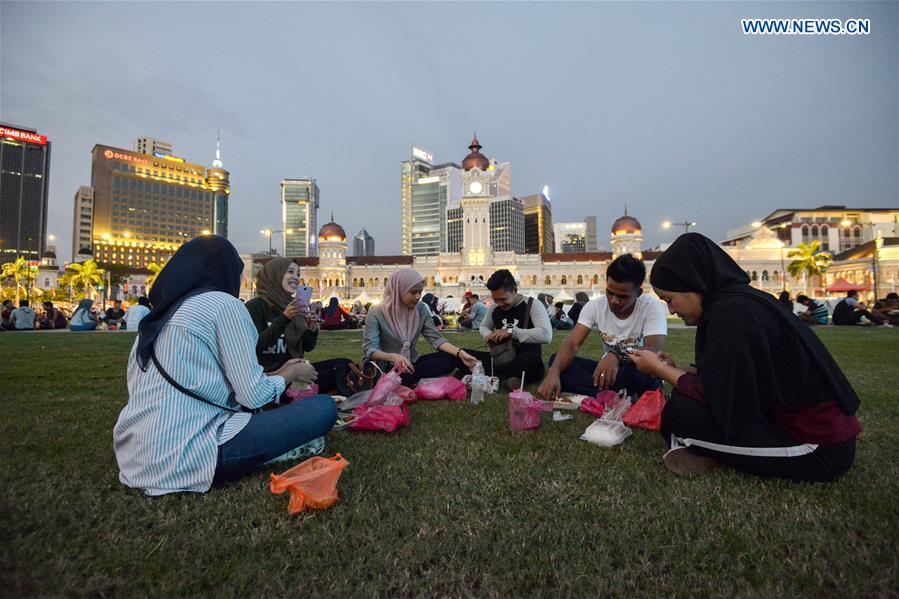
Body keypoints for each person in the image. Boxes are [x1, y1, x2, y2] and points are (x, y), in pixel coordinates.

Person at [629, 233, 861, 482]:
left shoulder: (732, 313)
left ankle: (717, 452)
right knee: (682, 402)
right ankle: (721, 451)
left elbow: (718, 394)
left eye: (670, 300)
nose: (671, 310)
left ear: (693, 284)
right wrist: (675, 368)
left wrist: (661, 370)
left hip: (816, 447)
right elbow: (739, 377)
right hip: (788, 425)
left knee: (678, 416)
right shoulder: (738, 303)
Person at [113, 235, 336, 495]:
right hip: (188, 455)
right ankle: (272, 453)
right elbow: (253, 397)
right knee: (324, 408)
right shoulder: (224, 305)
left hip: (133, 456)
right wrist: (290, 373)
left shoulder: (159, 315)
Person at [538, 254, 667, 401]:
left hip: (634, 368)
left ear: (638, 293)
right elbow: (572, 344)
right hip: (608, 371)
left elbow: (653, 349)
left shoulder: (651, 307)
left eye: (622, 297)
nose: (614, 301)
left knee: (643, 373)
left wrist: (616, 355)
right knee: (557, 362)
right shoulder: (595, 306)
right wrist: (553, 372)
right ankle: (622, 395)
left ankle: (605, 393)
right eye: (610, 293)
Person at [245, 258, 353, 394]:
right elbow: (254, 347)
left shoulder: (295, 305)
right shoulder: (256, 307)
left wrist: (311, 328)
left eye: (298, 274)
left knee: (344, 365)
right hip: (271, 377)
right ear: (275, 275)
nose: (296, 278)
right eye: (290, 272)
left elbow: (308, 346)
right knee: (334, 381)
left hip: (298, 371)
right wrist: (284, 318)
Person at [363, 268, 477, 386]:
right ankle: (408, 382)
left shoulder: (421, 309)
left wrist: (460, 352)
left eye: (420, 292)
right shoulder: (377, 311)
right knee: (401, 377)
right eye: (413, 292)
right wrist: (393, 357)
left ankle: (478, 375)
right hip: (385, 368)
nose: (418, 297)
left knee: (455, 356)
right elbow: (370, 349)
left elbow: (436, 339)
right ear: (399, 290)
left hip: (411, 365)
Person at [461, 269, 552, 390]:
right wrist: (488, 334)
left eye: (503, 299)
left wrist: (511, 332)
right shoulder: (494, 308)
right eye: (495, 300)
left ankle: (484, 374)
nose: (499, 304)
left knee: (532, 361)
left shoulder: (532, 304)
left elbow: (546, 335)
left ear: (514, 290)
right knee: (463, 354)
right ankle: (504, 379)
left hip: (524, 360)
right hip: (501, 358)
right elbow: (484, 327)